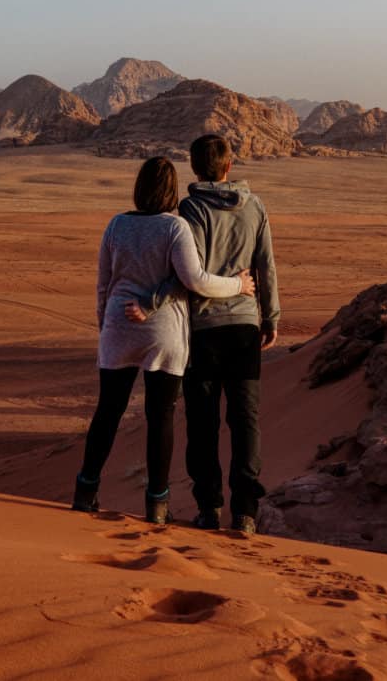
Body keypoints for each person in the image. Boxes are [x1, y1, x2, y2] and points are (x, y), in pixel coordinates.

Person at [73, 155, 255, 524]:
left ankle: (85, 491)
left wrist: (104, 325)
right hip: (164, 333)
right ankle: (157, 505)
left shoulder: (116, 225)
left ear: (139, 188)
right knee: (161, 418)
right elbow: (197, 280)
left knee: (108, 412)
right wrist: (239, 284)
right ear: (172, 190)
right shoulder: (175, 229)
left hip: (118, 328)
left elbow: (103, 285)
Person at [126, 134, 280, 534]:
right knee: (246, 420)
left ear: (195, 169)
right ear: (229, 165)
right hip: (245, 327)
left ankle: (209, 508)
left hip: (203, 331)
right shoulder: (256, 206)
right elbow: (266, 265)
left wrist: (151, 302)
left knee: (203, 423)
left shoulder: (189, 209)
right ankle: (245, 512)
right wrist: (271, 317)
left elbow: (184, 274)